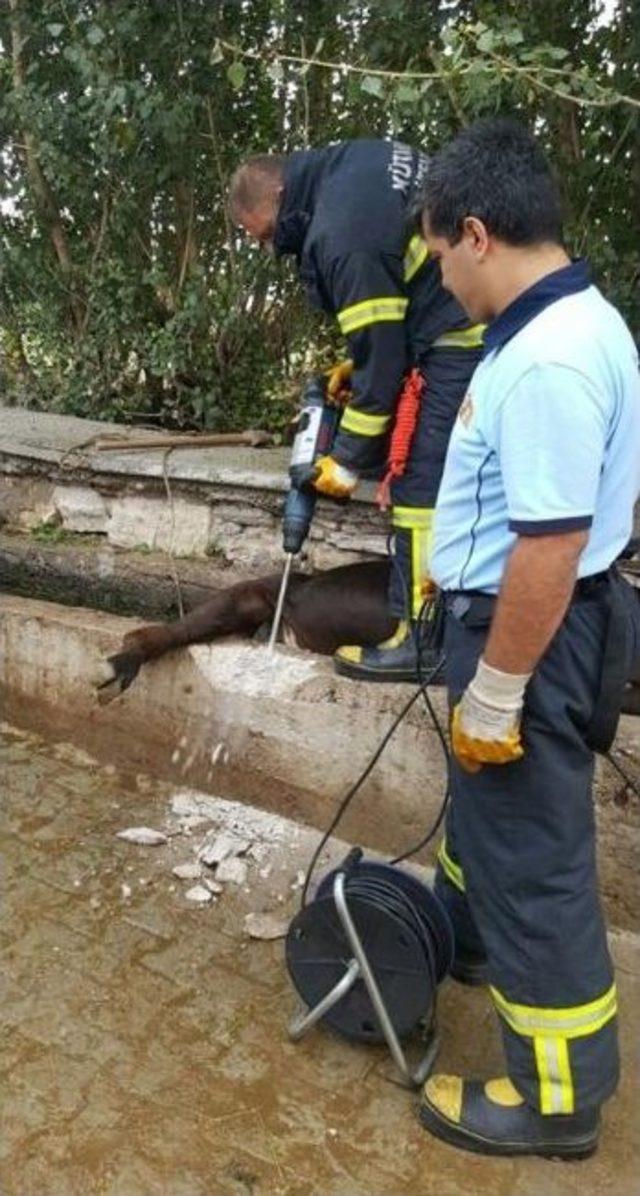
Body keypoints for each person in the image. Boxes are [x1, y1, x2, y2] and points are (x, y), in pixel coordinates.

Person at [415, 117, 640, 1159]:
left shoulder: (549, 357)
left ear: (473, 232)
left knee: (535, 861)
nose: (440, 280)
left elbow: (548, 547)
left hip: (528, 640)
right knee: (492, 825)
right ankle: (462, 942)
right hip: (518, 630)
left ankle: (555, 1102)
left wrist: (498, 686)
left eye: (437, 258)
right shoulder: (560, 327)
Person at [229, 139, 484, 681]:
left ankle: (422, 639)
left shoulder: (339, 237)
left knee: (419, 488)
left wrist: (344, 461)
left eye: (268, 234)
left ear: (278, 194)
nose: (273, 248)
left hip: (461, 340)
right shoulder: (353, 164)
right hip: (465, 322)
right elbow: (391, 312)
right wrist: (359, 363)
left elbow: (385, 362)